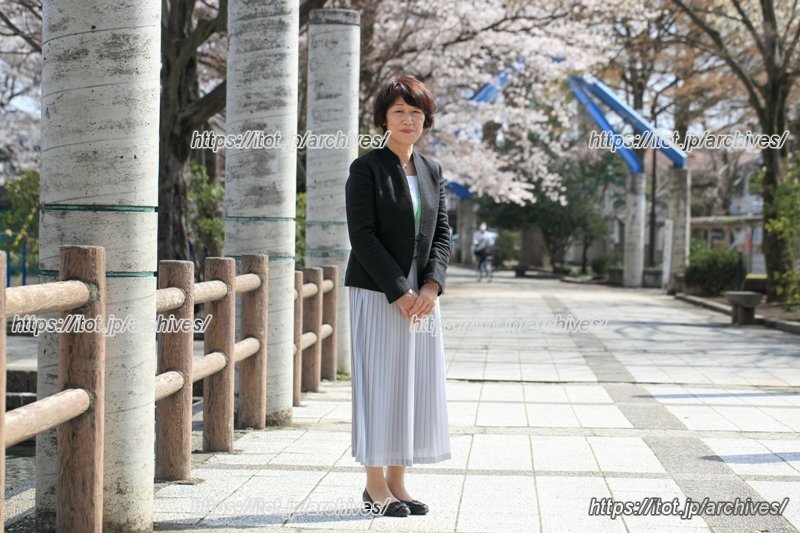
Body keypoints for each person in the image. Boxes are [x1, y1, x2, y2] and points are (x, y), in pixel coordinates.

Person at [344, 75, 451, 518]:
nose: (409, 120)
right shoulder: (366, 169)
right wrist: (400, 291)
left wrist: (429, 286)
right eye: (399, 113)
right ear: (383, 119)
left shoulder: (432, 170)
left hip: (423, 296)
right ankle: (374, 487)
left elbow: (442, 232)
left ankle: (399, 482)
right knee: (379, 384)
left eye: (416, 113)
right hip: (377, 289)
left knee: (413, 384)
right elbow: (363, 237)